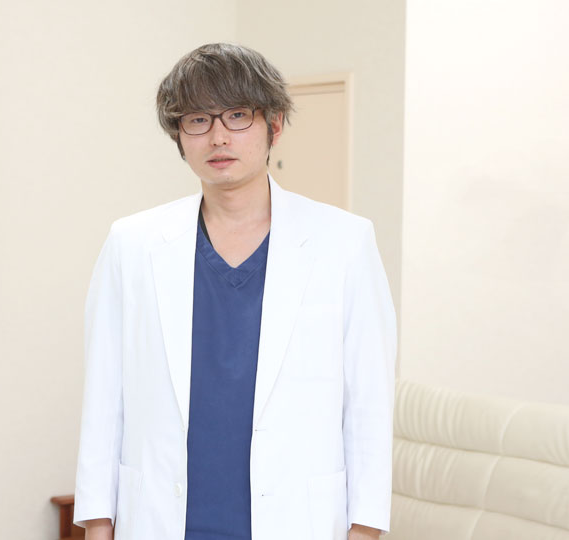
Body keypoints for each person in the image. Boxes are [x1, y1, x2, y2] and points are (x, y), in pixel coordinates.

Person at [74, 43, 396, 540]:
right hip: (163, 518)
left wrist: (365, 530)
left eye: (238, 115)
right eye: (197, 120)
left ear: (274, 125)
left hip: (297, 520)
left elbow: (368, 403)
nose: (218, 136)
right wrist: (98, 526)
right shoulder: (132, 244)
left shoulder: (344, 242)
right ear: (179, 136)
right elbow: (103, 398)